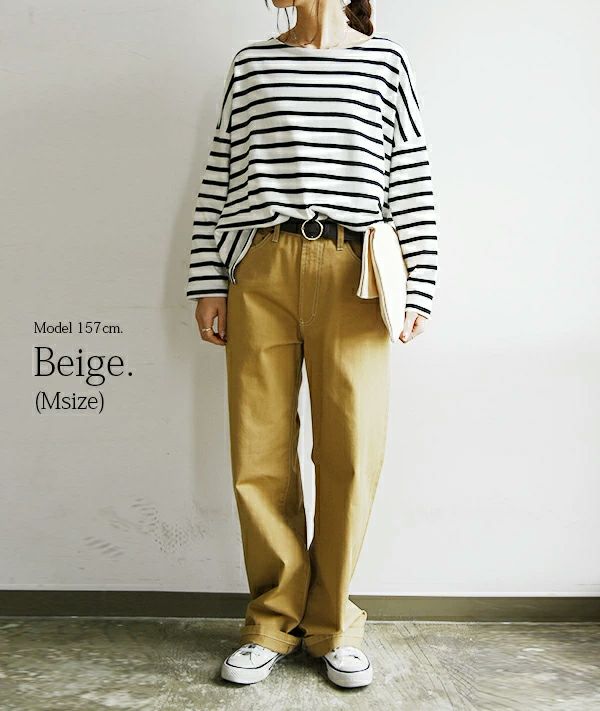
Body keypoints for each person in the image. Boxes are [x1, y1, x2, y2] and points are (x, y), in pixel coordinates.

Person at [186, 0, 438, 689]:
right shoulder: (252, 64)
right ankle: (271, 621)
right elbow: (220, 174)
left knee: (351, 450)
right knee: (259, 449)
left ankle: (333, 626)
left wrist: (420, 285)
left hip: (357, 270)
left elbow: (411, 176)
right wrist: (207, 280)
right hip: (261, 264)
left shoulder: (386, 62)